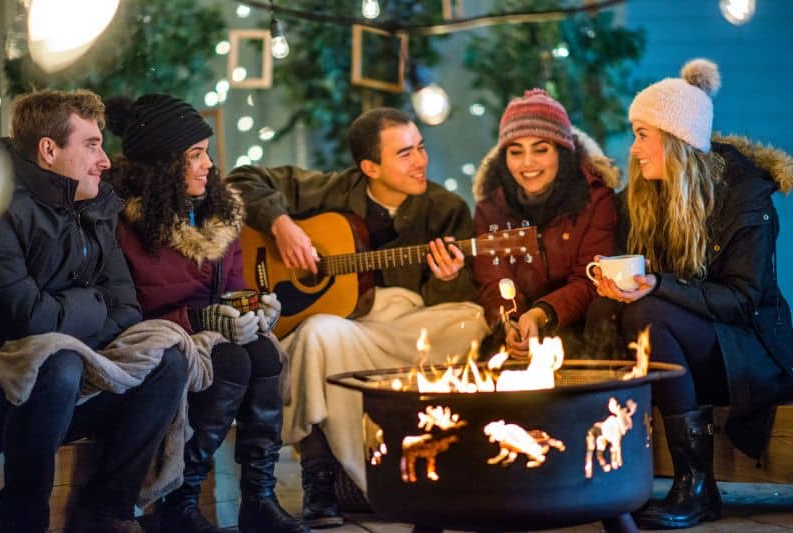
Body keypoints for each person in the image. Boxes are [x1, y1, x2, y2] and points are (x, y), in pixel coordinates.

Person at [226, 107, 489, 528]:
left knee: (470, 323)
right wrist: (280, 224)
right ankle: (321, 478)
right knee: (314, 335)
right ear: (370, 166)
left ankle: (430, 466)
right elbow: (241, 179)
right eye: (405, 153)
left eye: (421, 148)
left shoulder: (446, 208)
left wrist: (446, 278)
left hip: (405, 320)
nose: (421, 160)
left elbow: (455, 299)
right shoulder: (330, 191)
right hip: (345, 324)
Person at [595, 59, 793, 529]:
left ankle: (697, 486)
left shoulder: (744, 196)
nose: (635, 148)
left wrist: (660, 285)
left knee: (652, 311)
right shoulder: (643, 198)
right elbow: (632, 271)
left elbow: (744, 300)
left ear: (677, 138)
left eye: (644, 134)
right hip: (677, 351)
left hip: (748, 353)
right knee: (640, 310)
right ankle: (656, 481)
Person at [104, 94, 309, 533]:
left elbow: (231, 289)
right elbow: (130, 312)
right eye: (195, 155)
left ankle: (259, 496)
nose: (209, 165)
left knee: (266, 354)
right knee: (232, 360)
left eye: (207, 152)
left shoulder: (220, 214)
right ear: (162, 165)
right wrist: (199, 322)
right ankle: (180, 499)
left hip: (214, 330)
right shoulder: (127, 224)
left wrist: (256, 307)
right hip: (168, 336)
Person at [0, 89, 188, 533]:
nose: (104, 160)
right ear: (48, 149)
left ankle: (108, 511)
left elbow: (128, 310)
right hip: (7, 394)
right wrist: (94, 304)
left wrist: (79, 311)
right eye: (91, 145)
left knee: (166, 359)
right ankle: (22, 522)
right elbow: (27, 319)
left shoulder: (96, 206)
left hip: (68, 390)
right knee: (56, 363)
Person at [472, 89, 618, 357]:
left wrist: (543, 314)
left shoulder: (595, 198)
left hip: (582, 328)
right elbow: (493, 281)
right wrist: (509, 323)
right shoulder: (490, 209)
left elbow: (591, 277)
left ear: (562, 153)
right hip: (518, 330)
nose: (527, 163)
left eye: (541, 150)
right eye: (516, 152)